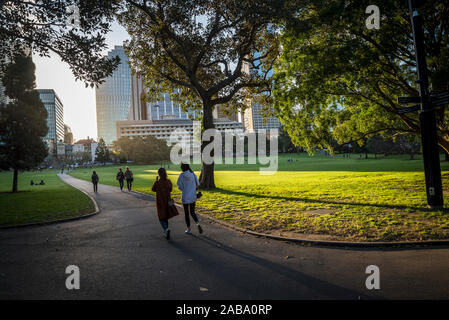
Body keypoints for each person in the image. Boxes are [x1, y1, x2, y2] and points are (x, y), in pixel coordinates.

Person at [152, 168, 179, 240]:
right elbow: (170, 189)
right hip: (167, 201)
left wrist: (156, 180)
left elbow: (153, 189)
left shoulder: (157, 182)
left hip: (160, 202)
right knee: (166, 216)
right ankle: (166, 231)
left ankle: (166, 229)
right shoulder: (168, 181)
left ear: (159, 174)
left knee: (161, 217)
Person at [177, 163, 203, 235]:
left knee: (186, 213)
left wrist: (185, 189)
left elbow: (179, 186)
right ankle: (198, 224)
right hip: (192, 197)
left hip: (185, 197)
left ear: (182, 168)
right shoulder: (193, 174)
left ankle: (189, 229)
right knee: (192, 212)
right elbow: (197, 184)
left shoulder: (181, 175)